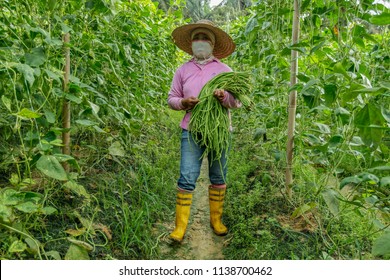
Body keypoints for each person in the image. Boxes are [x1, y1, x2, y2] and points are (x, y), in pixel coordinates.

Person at [167, 19, 241, 242]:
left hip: (219, 131)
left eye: (205, 38)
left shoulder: (224, 70)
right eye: (196, 37)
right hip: (190, 130)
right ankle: (180, 228)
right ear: (191, 43)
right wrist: (183, 103)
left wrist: (224, 96)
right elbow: (172, 98)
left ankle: (216, 221)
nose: (200, 42)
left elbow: (237, 102)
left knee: (218, 175)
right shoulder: (183, 70)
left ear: (212, 43)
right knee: (187, 176)